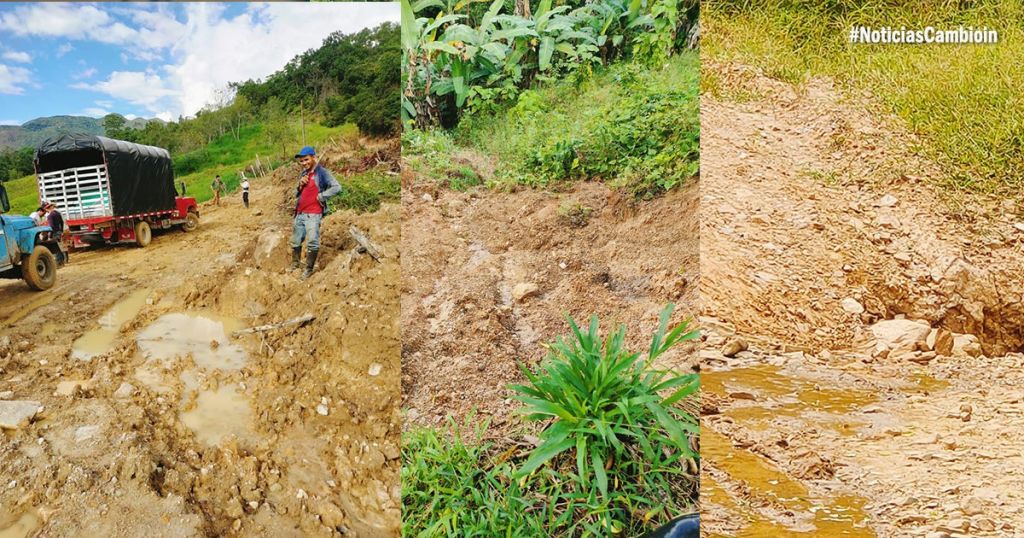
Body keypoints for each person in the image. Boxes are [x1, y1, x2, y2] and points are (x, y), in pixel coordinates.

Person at [290, 146, 340, 279]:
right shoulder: (304, 173)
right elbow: (299, 193)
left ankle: (308, 269)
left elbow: (337, 187)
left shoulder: (322, 173)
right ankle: (295, 264)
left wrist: (322, 196)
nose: (304, 163)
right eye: (301, 161)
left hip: (313, 214)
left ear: (313, 158)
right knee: (295, 241)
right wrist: (300, 184)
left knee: (312, 241)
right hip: (300, 213)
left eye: (306, 160)